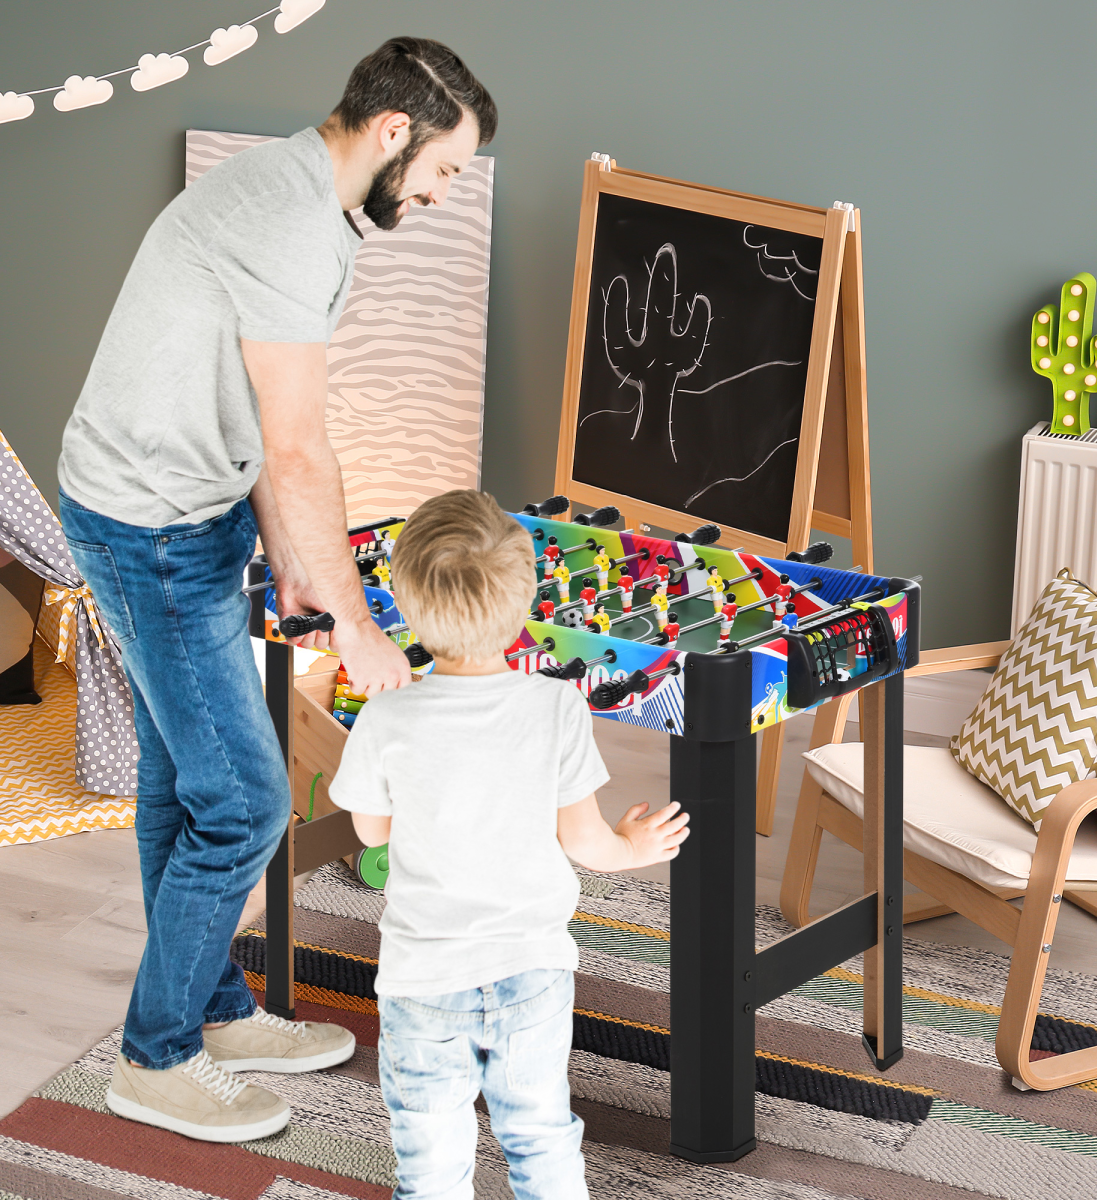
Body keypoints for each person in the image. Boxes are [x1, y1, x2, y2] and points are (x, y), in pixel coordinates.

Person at [57, 38, 498, 1142]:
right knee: (248, 801)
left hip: (188, 508)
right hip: (149, 526)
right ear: (394, 132)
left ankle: (211, 1014)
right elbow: (299, 448)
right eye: (445, 168)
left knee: (184, 781)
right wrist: (355, 622)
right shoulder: (291, 222)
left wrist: (291, 555)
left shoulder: (308, 199)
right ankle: (155, 1059)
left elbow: (255, 412)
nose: (444, 194)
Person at [330, 490, 689, 1199]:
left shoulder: (386, 716)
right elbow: (585, 841)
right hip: (532, 970)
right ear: (525, 605)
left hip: (423, 978)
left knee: (430, 1153)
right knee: (540, 1133)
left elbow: (372, 834)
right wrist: (634, 845)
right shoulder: (557, 705)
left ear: (405, 607)